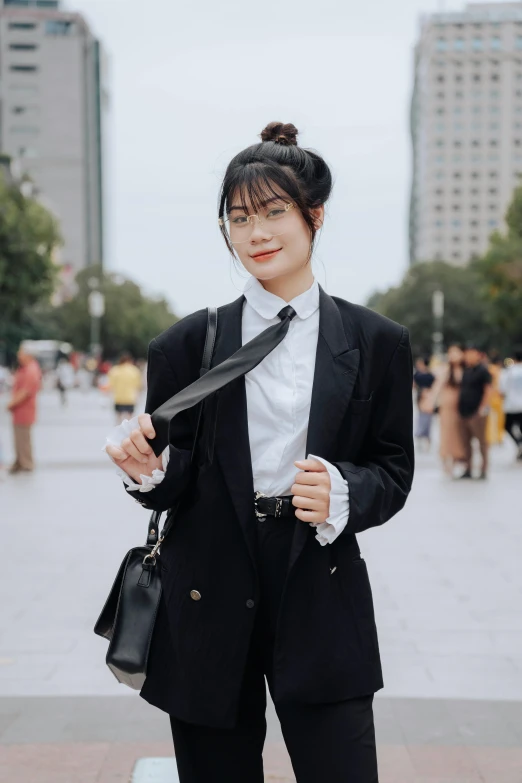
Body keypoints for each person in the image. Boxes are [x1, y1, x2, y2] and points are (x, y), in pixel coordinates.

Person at [104, 121, 415, 783]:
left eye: (275, 212)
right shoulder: (186, 346)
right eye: (239, 217)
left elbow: (394, 466)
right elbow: (178, 476)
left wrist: (344, 490)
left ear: (314, 216)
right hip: (208, 583)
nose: (257, 232)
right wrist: (150, 471)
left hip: (319, 582)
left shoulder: (375, 341)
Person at [457, 343, 492, 479]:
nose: (468, 356)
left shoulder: (483, 370)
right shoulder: (466, 370)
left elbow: (488, 390)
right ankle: (468, 468)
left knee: (481, 442)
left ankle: (483, 469)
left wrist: (483, 407)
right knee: (466, 443)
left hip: (477, 412)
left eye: (471, 352)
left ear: (478, 354)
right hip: (463, 411)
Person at [431, 344, 466, 477]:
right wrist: (431, 402)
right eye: (451, 353)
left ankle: (458, 459)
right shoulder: (445, 370)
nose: (454, 356)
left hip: (461, 407)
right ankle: (446, 461)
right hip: (447, 407)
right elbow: (437, 387)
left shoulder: (465, 369)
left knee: (459, 435)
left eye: (456, 352)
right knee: (446, 435)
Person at [7, 346, 42, 473]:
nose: (18, 355)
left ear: (28, 355)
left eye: (20, 353)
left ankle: (26, 463)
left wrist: (11, 403)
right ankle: (20, 461)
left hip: (24, 410)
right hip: (19, 411)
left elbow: (25, 391)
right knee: (19, 438)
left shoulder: (31, 369)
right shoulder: (25, 368)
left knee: (23, 438)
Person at [500, 348, 522, 461]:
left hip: (511, 405)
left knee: (507, 426)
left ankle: (519, 442)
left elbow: (502, 390)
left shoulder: (508, 372)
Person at [107, 353, 142, 423]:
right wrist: (138, 397)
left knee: (119, 418)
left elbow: (111, 385)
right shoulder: (134, 371)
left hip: (118, 398)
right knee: (130, 418)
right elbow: (138, 386)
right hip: (130, 398)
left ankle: (119, 431)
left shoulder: (115, 370)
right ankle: (129, 432)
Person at [413, 356, 435, 451]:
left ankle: (425, 437)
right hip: (420, 397)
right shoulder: (418, 374)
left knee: (427, 419)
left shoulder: (430, 375)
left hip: (428, 397)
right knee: (422, 417)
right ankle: (421, 437)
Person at [486, 352, 505, 447]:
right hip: (497, 397)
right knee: (499, 419)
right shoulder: (498, 371)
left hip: (492, 397)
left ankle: (491, 437)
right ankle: (498, 437)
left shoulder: (489, 369)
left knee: (491, 419)